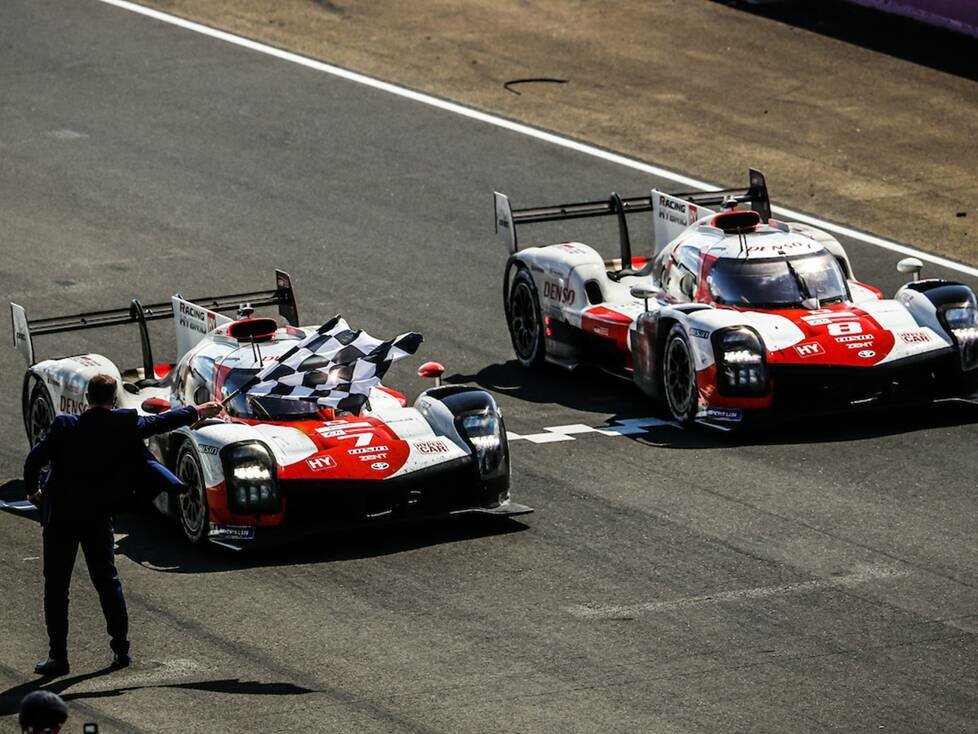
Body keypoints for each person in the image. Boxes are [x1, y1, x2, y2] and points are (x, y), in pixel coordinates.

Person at [23, 374, 222, 676]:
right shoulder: (123, 424)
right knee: (107, 581)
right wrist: (198, 411)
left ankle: (58, 658)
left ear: (87, 399)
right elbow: (161, 423)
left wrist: (34, 491)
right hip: (98, 515)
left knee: (56, 588)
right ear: (114, 400)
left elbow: (33, 461)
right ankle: (120, 649)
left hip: (60, 516)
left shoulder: (65, 426)